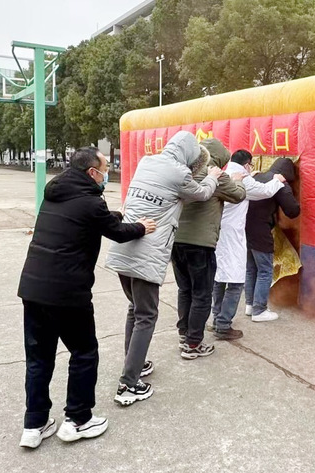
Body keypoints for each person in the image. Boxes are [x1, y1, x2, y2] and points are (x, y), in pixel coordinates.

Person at [17, 147, 156, 448]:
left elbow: (97, 220)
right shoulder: (92, 202)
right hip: (68, 293)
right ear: (92, 172)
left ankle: (34, 424)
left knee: (39, 359)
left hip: (33, 289)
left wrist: (116, 215)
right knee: (84, 352)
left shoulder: (55, 193)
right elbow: (117, 232)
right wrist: (141, 227)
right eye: (105, 170)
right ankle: (78, 420)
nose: (107, 175)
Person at [105, 131, 221, 405]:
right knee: (147, 316)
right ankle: (128, 384)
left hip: (124, 247)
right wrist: (214, 177)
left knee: (135, 309)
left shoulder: (147, 161)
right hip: (146, 254)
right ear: (190, 155)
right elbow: (203, 193)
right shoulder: (180, 174)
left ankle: (135, 363)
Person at [172, 138, 246, 358]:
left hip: (176, 242)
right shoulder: (216, 174)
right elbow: (238, 195)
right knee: (202, 295)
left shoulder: (185, 172)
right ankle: (194, 344)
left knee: (185, 290)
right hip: (200, 245)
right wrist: (238, 180)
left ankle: (184, 333)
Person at [211, 150, 286, 339]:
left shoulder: (224, 175)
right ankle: (224, 324)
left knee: (219, 277)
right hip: (233, 236)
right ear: (247, 164)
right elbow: (265, 191)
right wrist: (277, 180)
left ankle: (217, 317)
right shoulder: (243, 179)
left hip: (218, 233)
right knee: (236, 281)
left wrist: (252, 176)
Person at [244, 158, 301, 321]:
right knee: (265, 270)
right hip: (261, 231)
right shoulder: (280, 183)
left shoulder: (256, 177)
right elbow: (292, 211)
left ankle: (250, 305)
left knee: (251, 268)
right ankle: (259, 310)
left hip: (246, 229)